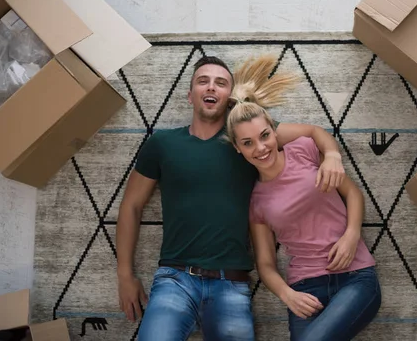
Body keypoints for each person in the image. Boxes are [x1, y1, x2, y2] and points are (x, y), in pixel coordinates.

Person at [115, 55, 347, 341]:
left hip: (231, 283)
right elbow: (131, 206)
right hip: (175, 278)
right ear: (190, 95)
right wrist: (125, 275)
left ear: (228, 97)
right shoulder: (162, 144)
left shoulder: (247, 141)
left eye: (220, 83)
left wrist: (332, 155)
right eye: (203, 81)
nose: (211, 87)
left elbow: (313, 132)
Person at [225, 55, 381, 341]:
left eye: (264, 136)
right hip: (305, 289)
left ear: (275, 131)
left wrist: (351, 234)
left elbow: (353, 194)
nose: (260, 148)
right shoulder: (257, 201)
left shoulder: (304, 150)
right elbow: (266, 264)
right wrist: (288, 295)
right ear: (237, 149)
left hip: (356, 277)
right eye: (248, 143)